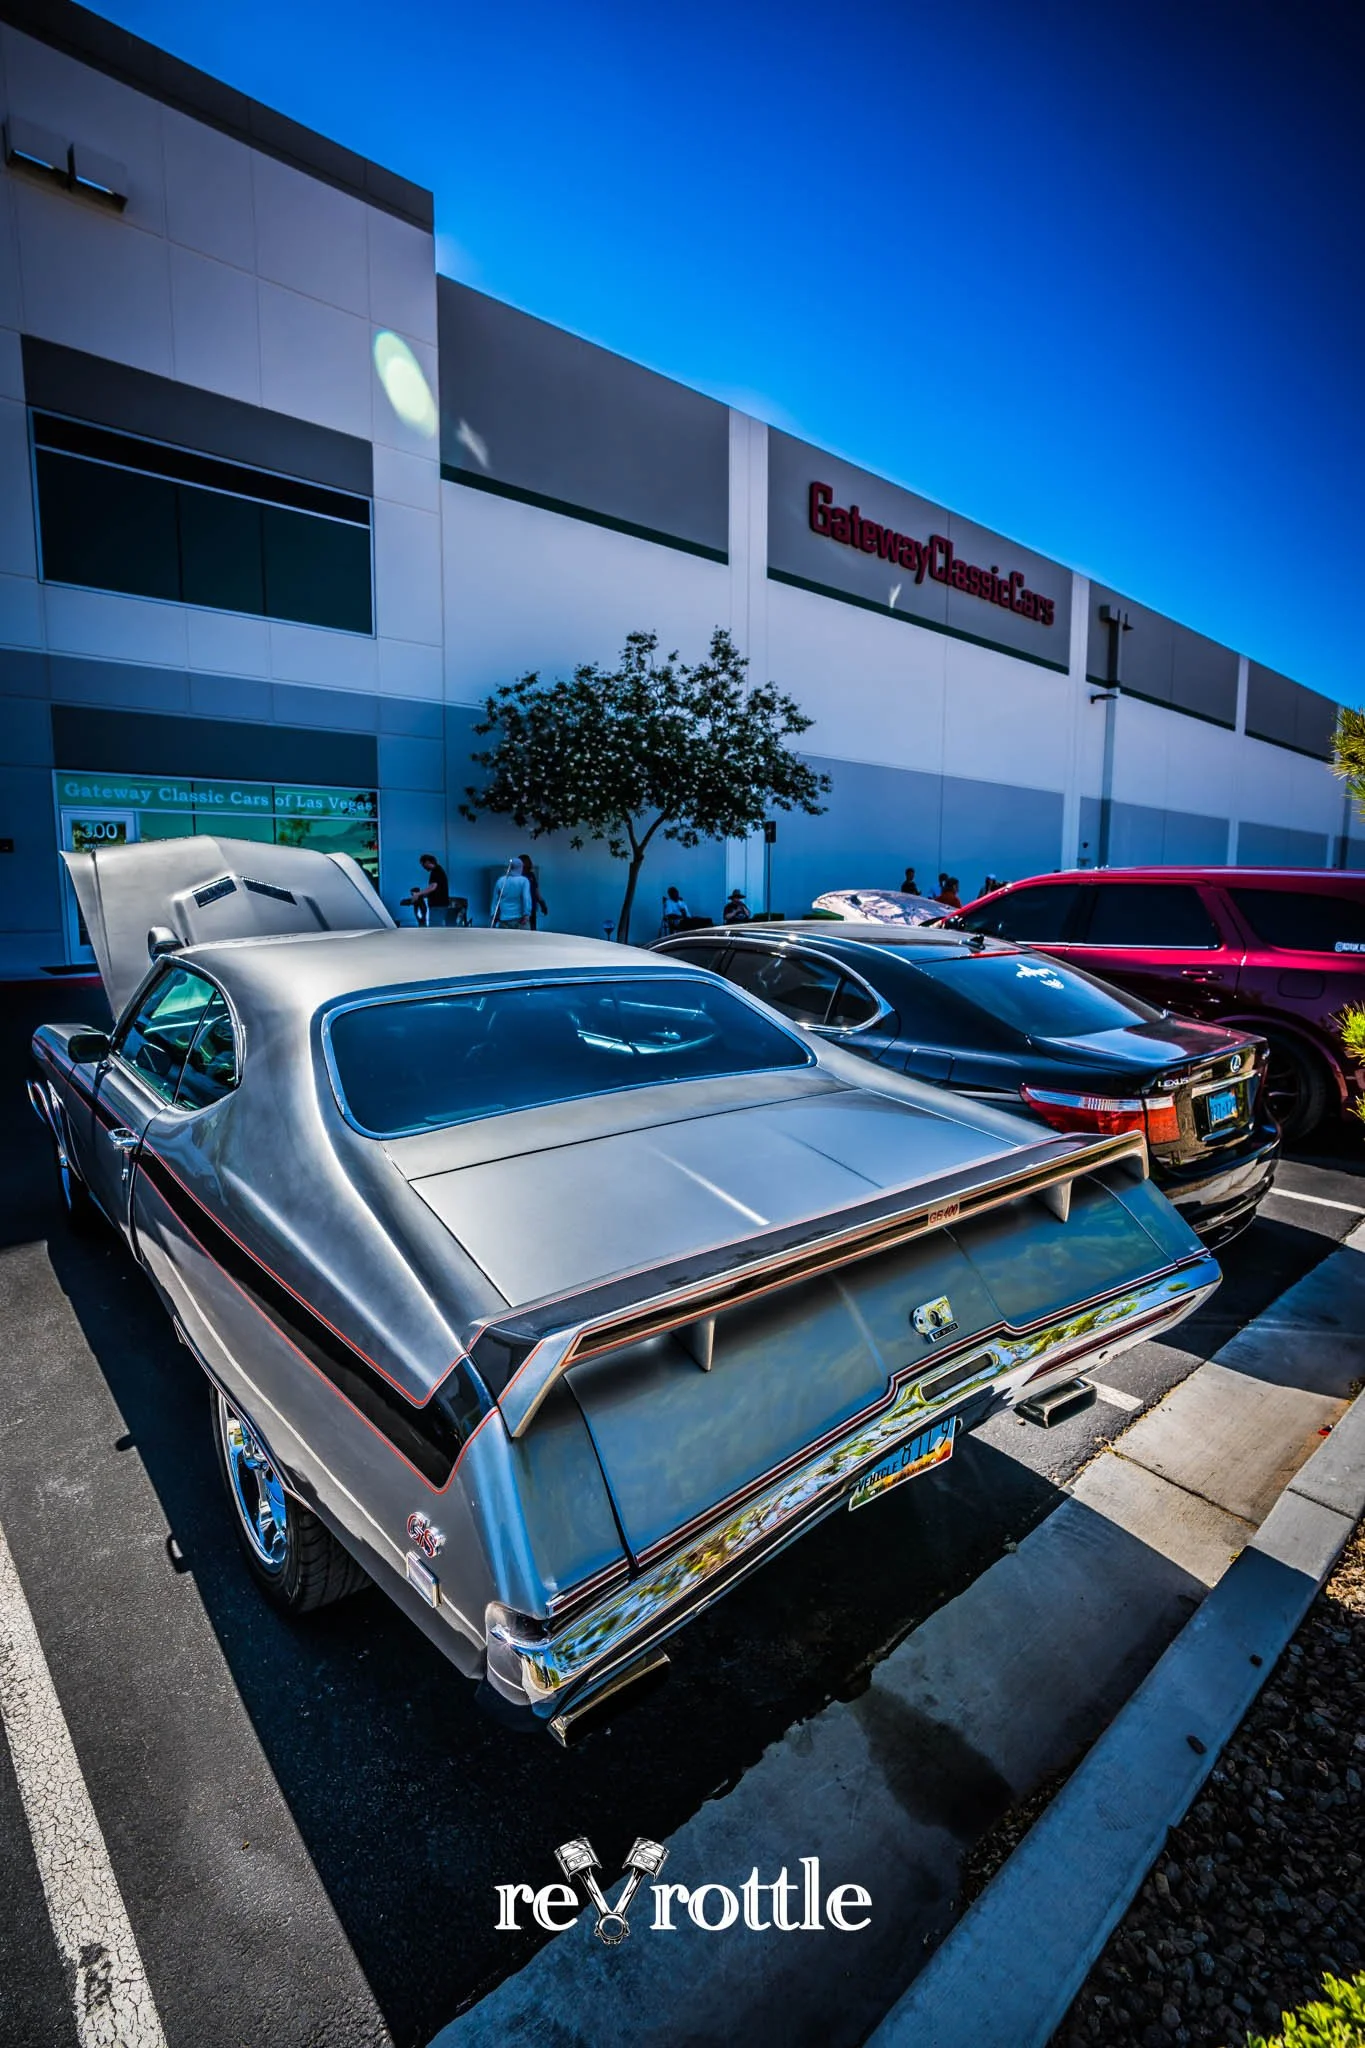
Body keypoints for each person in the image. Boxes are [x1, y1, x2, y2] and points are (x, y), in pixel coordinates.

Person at [408, 852, 451, 925]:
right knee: (436, 926)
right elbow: (435, 890)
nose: (423, 867)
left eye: (423, 864)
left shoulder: (436, 871)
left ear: (427, 862)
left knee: (435, 927)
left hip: (438, 906)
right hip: (439, 905)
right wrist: (422, 895)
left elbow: (432, 887)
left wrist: (418, 894)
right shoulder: (438, 870)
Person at [490, 857, 533, 929]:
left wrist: (493, 915)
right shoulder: (524, 881)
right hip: (520, 920)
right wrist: (526, 914)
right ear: (521, 867)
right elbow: (526, 898)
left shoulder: (501, 880)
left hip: (503, 920)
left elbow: (495, 900)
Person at [519, 852, 548, 930]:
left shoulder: (531, 875)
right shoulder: (518, 876)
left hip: (531, 907)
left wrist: (542, 904)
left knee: (531, 929)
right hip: (521, 908)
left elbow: (536, 892)